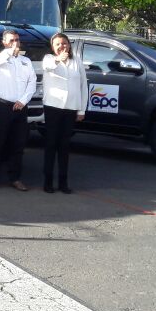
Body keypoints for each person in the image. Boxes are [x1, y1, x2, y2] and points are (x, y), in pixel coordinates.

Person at [0, 29, 36, 191]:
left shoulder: (26, 61)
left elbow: (32, 83)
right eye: (11, 40)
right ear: (4, 42)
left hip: (20, 108)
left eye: (17, 40)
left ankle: (15, 178)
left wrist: (23, 101)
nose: (15, 43)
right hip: (2, 106)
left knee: (18, 145)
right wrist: (9, 53)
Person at [41, 32, 88, 194]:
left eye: (65, 43)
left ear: (69, 45)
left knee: (64, 146)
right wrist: (57, 60)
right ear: (53, 47)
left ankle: (63, 181)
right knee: (51, 144)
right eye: (58, 44)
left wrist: (81, 109)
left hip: (70, 108)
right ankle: (48, 181)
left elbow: (83, 85)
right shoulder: (48, 59)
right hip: (53, 107)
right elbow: (47, 67)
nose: (62, 47)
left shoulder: (77, 62)